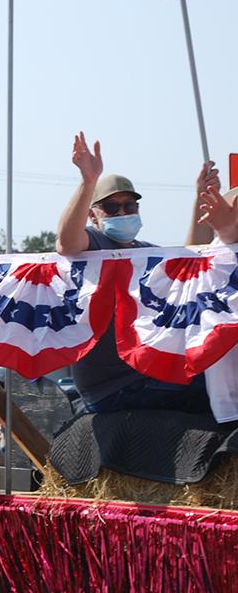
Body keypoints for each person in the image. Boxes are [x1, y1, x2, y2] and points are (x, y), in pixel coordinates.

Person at [56, 134, 238, 415]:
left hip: (146, 376)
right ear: (93, 216)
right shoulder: (92, 246)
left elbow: (189, 260)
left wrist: (200, 195)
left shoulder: (143, 253)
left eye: (129, 206)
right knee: (218, 394)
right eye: (111, 207)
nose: (123, 212)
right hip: (114, 388)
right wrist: (87, 181)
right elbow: (66, 243)